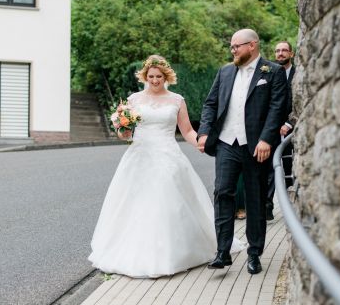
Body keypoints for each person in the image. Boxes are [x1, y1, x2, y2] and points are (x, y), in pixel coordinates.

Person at [89, 55, 243, 278]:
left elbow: (187, 130)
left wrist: (202, 144)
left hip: (168, 156)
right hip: (139, 156)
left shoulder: (177, 100)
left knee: (167, 199)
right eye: (151, 76)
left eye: (159, 77)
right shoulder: (133, 100)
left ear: (166, 77)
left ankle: (173, 252)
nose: (154, 80)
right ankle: (136, 251)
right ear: (145, 76)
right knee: (134, 202)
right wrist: (122, 128)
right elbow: (126, 135)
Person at [197, 29, 287, 274]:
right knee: (222, 193)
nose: (233, 50)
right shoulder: (225, 72)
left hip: (255, 146)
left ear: (252, 45)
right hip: (226, 143)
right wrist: (204, 132)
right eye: (232, 46)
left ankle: (254, 253)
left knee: (255, 199)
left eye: (237, 46)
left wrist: (266, 139)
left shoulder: (273, 72)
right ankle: (222, 252)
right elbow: (211, 104)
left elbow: (278, 107)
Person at [264, 41, 296, 221]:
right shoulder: (268, 72)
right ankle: (267, 206)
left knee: (290, 168)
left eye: (284, 50)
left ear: (291, 54)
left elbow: (301, 101)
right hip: (271, 129)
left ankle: (292, 206)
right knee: (269, 169)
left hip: (291, 130)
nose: (280, 53)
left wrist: (289, 124)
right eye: (277, 51)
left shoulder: (299, 74)